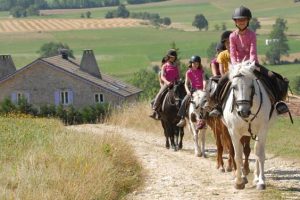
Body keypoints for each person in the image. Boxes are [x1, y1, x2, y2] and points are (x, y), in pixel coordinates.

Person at [210, 6, 289, 117]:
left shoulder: (252, 34)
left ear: (248, 20)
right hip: (237, 66)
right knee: (221, 81)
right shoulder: (232, 36)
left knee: (272, 77)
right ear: (235, 22)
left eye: (243, 19)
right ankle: (218, 106)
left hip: (252, 64)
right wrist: (237, 65)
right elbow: (232, 53)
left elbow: (253, 52)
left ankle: (278, 103)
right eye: (239, 20)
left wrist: (250, 65)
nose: (241, 22)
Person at [149, 49, 180, 119]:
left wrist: (178, 81)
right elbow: (162, 76)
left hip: (175, 83)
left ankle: (184, 112)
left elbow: (178, 76)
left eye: (174, 57)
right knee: (160, 93)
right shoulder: (164, 66)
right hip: (168, 83)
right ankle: (155, 109)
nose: (173, 58)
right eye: (171, 57)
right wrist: (167, 82)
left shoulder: (176, 66)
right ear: (168, 57)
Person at [176, 55, 206, 127]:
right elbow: (186, 84)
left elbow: (204, 80)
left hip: (202, 90)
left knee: (209, 101)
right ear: (191, 63)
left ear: (199, 64)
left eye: (197, 63)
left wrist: (204, 88)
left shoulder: (201, 71)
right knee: (184, 101)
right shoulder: (188, 72)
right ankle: (182, 118)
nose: (196, 65)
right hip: (193, 91)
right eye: (194, 63)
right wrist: (188, 91)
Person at [208, 30, 232, 117]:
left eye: (231, 43)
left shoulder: (238, 52)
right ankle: (216, 105)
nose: (229, 45)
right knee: (218, 85)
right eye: (227, 43)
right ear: (225, 45)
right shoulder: (222, 55)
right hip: (227, 75)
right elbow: (221, 69)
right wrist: (224, 77)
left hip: (238, 74)